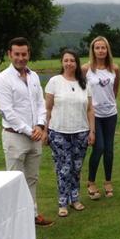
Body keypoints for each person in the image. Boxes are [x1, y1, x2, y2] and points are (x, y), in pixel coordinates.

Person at [0, 37, 54, 226]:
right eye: (17, 54)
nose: (21, 58)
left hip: (35, 136)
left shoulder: (34, 76)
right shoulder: (3, 79)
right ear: (9, 54)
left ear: (29, 54)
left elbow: (40, 103)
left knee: (32, 178)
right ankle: (15, 222)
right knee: (13, 181)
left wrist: (41, 125)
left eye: (24, 54)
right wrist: (30, 130)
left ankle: (32, 215)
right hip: (15, 137)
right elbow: (7, 111)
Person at [44, 49, 95, 217]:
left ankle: (75, 198)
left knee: (77, 167)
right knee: (64, 168)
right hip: (58, 131)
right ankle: (62, 202)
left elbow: (89, 109)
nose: (69, 63)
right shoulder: (54, 82)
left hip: (81, 132)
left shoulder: (84, 83)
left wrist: (92, 131)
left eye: (72, 60)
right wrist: (45, 130)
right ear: (62, 62)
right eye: (66, 60)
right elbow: (47, 108)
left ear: (76, 63)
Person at [82, 36, 120, 200]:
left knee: (109, 150)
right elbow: (82, 92)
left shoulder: (114, 69)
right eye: (97, 48)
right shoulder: (86, 69)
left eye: (103, 47)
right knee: (99, 148)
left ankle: (108, 181)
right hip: (94, 115)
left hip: (111, 114)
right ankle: (91, 182)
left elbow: (115, 90)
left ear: (107, 49)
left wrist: (109, 103)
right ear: (93, 50)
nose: (100, 50)